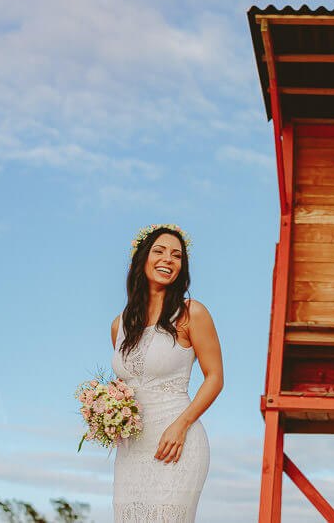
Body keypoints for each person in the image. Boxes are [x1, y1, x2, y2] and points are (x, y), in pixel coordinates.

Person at [110, 224, 223, 522]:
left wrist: (180, 425)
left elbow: (214, 377)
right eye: (159, 251)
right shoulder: (119, 325)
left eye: (176, 255)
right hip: (132, 448)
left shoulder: (191, 313)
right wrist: (107, 412)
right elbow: (126, 386)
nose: (168, 259)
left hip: (177, 442)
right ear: (142, 259)